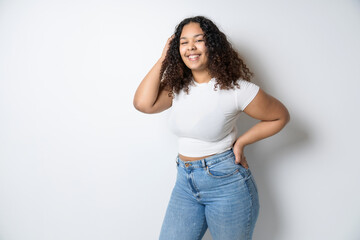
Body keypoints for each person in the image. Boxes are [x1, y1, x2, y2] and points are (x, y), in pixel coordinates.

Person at [133, 16, 290, 240]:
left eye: (198, 40)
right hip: (185, 183)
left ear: (212, 45)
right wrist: (163, 58)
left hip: (227, 184)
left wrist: (242, 142)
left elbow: (280, 117)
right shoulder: (177, 86)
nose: (191, 48)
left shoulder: (237, 89)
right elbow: (143, 104)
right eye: (183, 42)